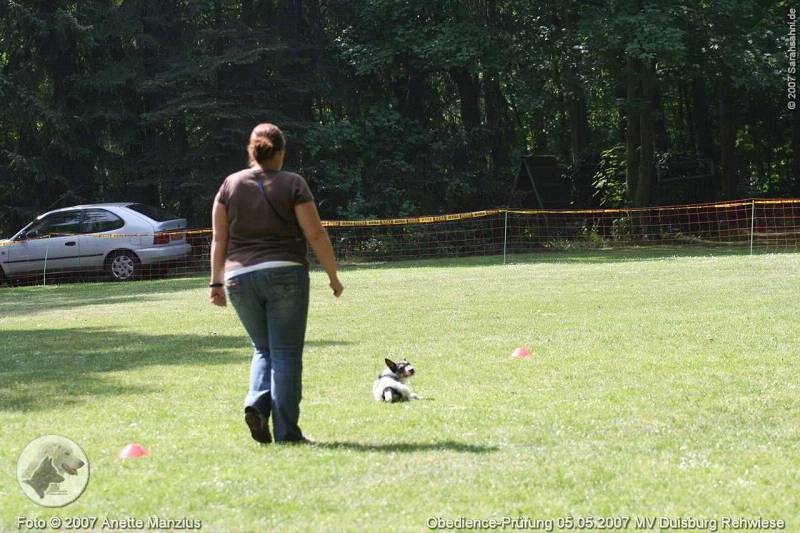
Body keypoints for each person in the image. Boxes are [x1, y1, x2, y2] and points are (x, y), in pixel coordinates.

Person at [209, 123, 343, 444]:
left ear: (251, 150)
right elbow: (315, 234)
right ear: (280, 152)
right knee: (285, 353)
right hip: (285, 273)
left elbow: (219, 238)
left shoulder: (230, 184)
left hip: (239, 278)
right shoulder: (293, 183)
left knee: (263, 348)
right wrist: (333, 276)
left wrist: (215, 283)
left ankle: (257, 404)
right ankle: (287, 433)